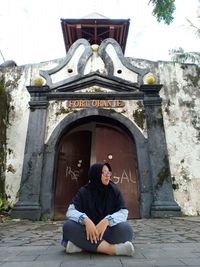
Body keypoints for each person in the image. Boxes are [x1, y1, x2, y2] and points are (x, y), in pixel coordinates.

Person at [61, 162, 135, 256]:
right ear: (95, 174)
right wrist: (86, 221)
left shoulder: (114, 191)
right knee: (68, 226)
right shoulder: (84, 192)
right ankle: (111, 249)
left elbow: (123, 212)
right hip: (86, 230)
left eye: (109, 173)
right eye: (104, 172)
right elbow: (71, 211)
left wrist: (107, 221)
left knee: (126, 230)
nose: (107, 175)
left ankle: (82, 246)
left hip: (106, 230)